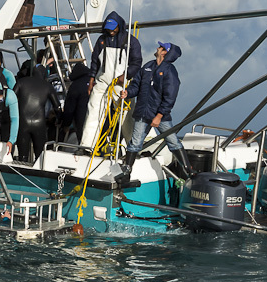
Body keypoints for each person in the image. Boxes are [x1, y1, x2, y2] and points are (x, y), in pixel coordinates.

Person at [120, 42, 191, 180]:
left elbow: (170, 96)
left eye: (161, 47)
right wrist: (128, 93)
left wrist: (159, 115)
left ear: (165, 52)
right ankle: (127, 171)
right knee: (135, 143)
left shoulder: (170, 71)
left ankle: (188, 170)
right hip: (142, 113)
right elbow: (136, 85)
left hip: (160, 116)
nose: (157, 48)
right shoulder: (147, 66)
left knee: (173, 142)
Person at [81, 11, 142, 150]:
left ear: (119, 26)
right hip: (102, 82)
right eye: (109, 28)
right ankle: (86, 146)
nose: (111, 30)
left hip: (121, 84)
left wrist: (126, 75)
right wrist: (91, 80)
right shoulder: (101, 40)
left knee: (127, 116)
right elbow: (95, 62)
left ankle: (134, 148)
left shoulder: (131, 41)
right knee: (93, 111)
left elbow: (137, 63)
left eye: (114, 27)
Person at [13, 62, 58, 162]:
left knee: (22, 157)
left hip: (23, 122)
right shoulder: (47, 86)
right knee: (40, 157)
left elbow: (11, 99)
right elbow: (57, 107)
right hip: (39, 123)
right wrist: (60, 120)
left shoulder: (21, 82)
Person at [60, 61, 93, 143]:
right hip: (99, 118)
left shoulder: (75, 86)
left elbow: (69, 108)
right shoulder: (96, 82)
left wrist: (66, 124)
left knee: (83, 142)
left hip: (82, 120)